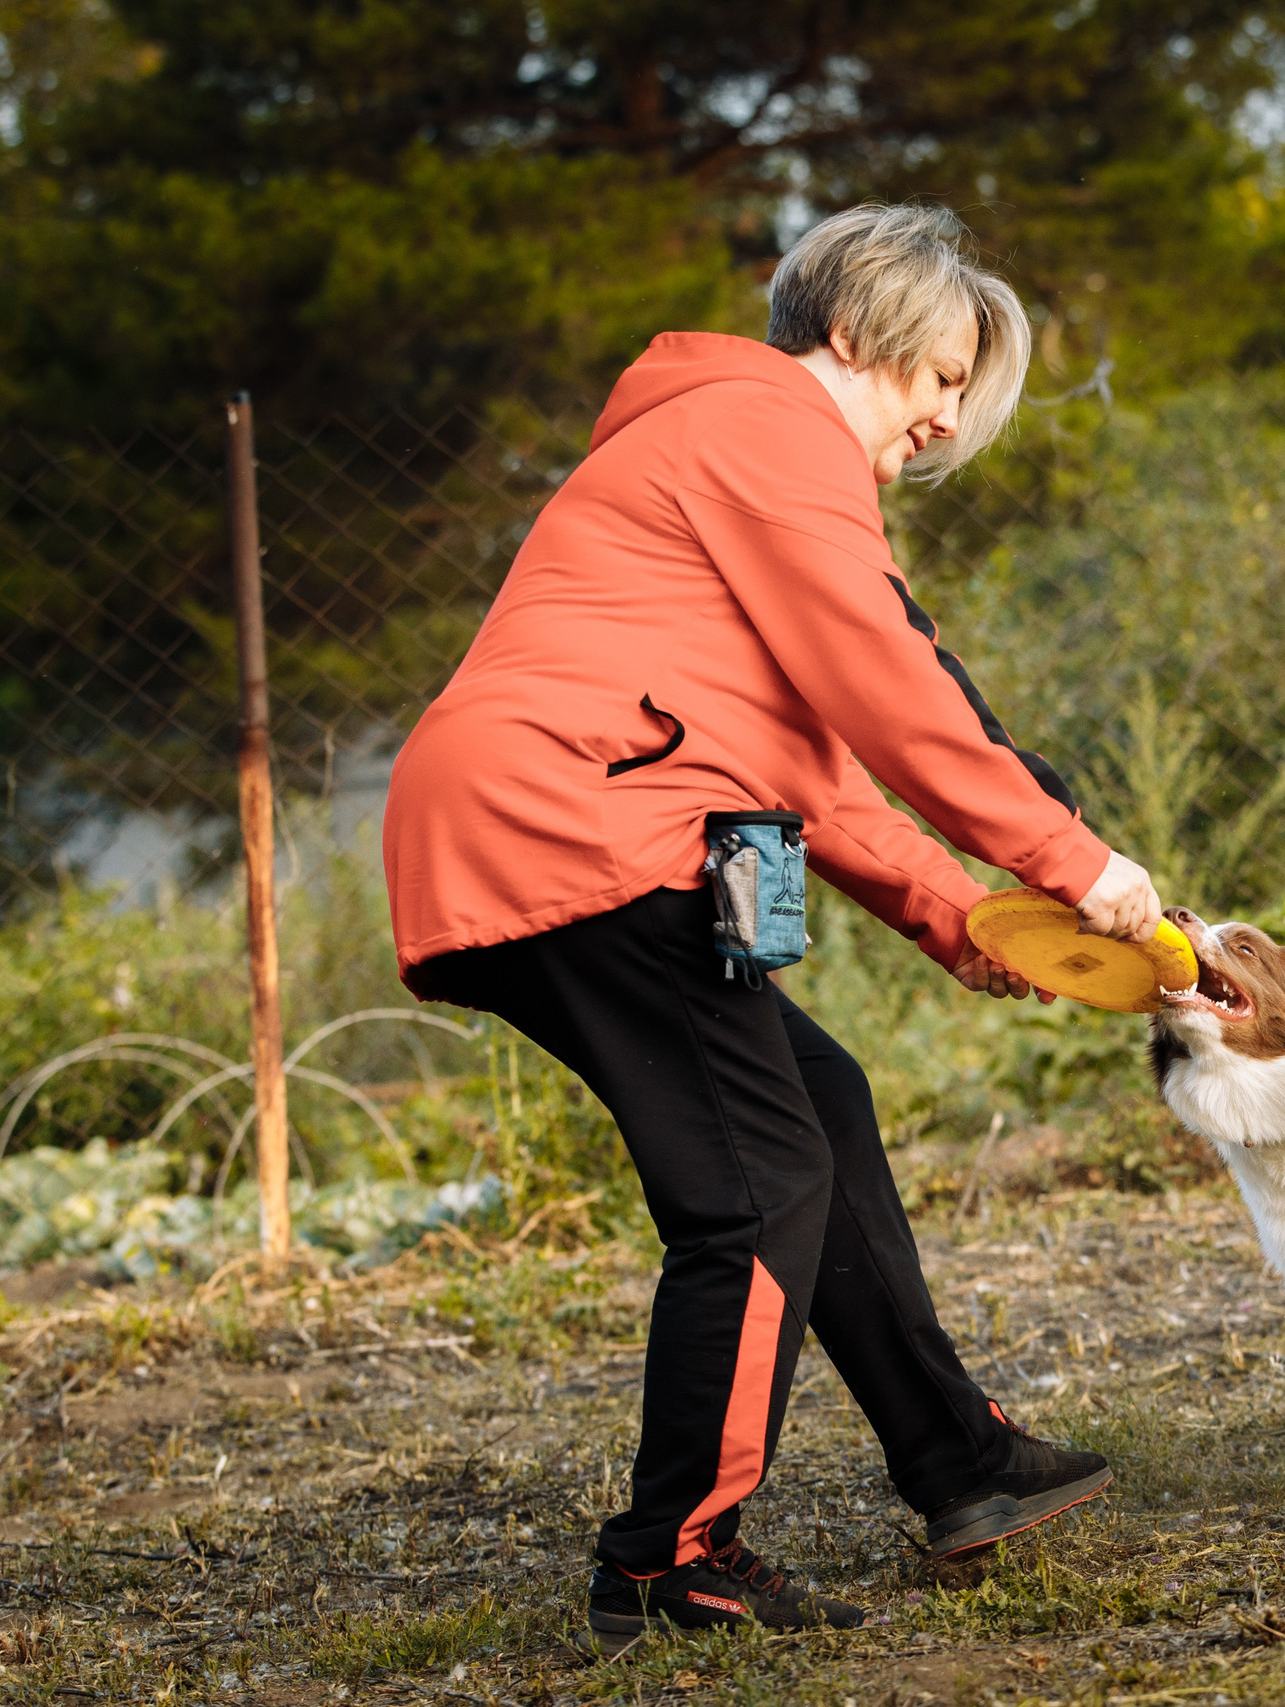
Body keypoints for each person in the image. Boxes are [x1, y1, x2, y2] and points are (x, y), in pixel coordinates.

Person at [380, 204, 1164, 1645]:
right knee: (753, 1191)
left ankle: (960, 1461)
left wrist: (972, 921)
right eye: (942, 377)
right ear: (856, 331)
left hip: (584, 815)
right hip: (580, 822)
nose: (947, 420)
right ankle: (667, 1565)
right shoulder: (767, 429)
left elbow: (820, 776)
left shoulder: (731, 459)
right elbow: (897, 685)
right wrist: (1076, 863)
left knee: (818, 1105)